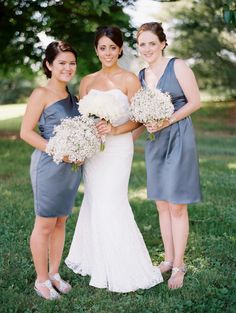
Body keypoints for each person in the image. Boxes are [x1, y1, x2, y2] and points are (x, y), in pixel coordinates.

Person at [65, 26, 163, 293]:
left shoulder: (130, 79)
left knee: (112, 202)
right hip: (94, 151)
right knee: (95, 201)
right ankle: (99, 262)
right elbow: (83, 118)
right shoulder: (87, 81)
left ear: (120, 49)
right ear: (96, 50)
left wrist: (116, 129)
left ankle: (124, 267)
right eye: (102, 47)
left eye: (112, 47)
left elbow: (139, 117)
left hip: (118, 149)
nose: (107, 52)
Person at [135, 22, 202, 289]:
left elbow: (195, 102)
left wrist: (168, 120)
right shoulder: (141, 75)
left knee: (176, 204)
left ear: (163, 43)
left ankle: (179, 266)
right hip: (155, 141)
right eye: (142, 44)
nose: (148, 48)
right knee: (162, 203)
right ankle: (168, 258)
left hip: (179, 137)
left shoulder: (178, 66)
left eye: (152, 42)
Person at [20, 41, 82, 300]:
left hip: (71, 169)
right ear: (49, 65)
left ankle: (55, 273)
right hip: (49, 165)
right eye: (62, 63)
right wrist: (58, 151)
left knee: (61, 221)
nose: (68, 68)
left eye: (71, 63)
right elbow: (25, 132)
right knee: (45, 223)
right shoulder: (40, 94)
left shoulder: (74, 98)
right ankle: (41, 280)